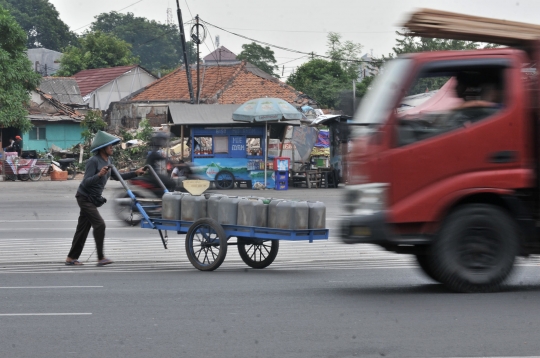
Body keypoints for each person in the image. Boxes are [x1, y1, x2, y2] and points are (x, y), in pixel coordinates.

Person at [65, 131, 145, 266]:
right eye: (110, 146)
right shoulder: (93, 161)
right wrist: (99, 175)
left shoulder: (109, 161)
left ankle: (71, 257)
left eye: (113, 146)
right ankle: (101, 257)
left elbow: (117, 176)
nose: (112, 148)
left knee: (82, 229)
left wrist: (135, 173)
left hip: (93, 198)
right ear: (103, 148)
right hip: (85, 198)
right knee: (100, 224)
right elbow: (85, 182)